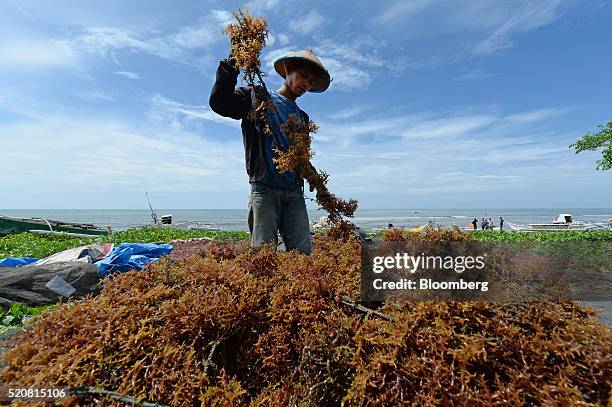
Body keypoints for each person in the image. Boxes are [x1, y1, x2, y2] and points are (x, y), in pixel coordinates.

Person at [209, 49, 331, 255]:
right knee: (263, 255)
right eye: (303, 76)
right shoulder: (257, 97)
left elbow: (300, 156)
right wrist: (231, 65)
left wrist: (316, 180)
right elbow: (221, 103)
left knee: (303, 252)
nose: (305, 84)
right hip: (265, 189)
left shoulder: (302, 117)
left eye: (311, 82)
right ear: (288, 70)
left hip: (293, 192)